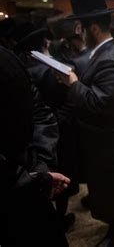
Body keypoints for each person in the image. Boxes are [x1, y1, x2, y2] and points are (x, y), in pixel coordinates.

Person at [57, 0, 114, 245]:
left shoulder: (110, 58)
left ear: (93, 27)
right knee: (107, 187)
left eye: (80, 27)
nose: (78, 32)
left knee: (110, 188)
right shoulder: (100, 52)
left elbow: (100, 102)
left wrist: (73, 83)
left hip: (110, 140)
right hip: (104, 138)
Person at [0, 45, 70, 246]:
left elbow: (39, 111)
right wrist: (33, 178)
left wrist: (41, 166)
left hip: (28, 185)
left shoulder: (7, 58)